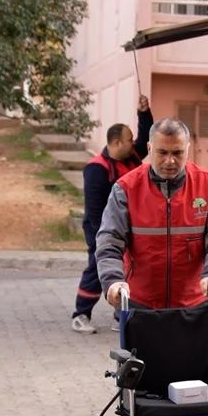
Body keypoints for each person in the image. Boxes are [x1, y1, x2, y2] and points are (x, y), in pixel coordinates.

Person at [97, 117, 208, 312]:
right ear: (149, 148)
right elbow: (110, 241)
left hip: (193, 302)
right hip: (139, 302)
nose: (170, 161)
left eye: (177, 153)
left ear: (188, 149)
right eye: (162, 152)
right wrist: (113, 280)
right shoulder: (126, 188)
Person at [71, 96, 154, 333]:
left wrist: (144, 113)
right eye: (129, 140)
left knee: (128, 269)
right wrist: (104, 239)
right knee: (99, 268)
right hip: (102, 227)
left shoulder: (132, 157)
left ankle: (121, 316)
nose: (134, 143)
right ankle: (81, 314)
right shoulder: (97, 168)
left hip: (131, 225)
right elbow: (95, 210)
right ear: (117, 143)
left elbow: (146, 136)